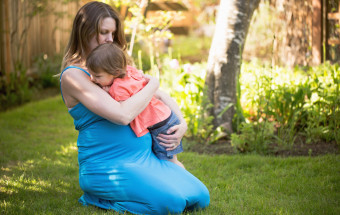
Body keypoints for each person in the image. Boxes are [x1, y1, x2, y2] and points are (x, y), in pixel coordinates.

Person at [59, 1, 210, 214]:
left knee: (201, 197)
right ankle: (97, 196)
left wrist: (182, 123)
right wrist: (153, 83)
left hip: (146, 159)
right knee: (172, 204)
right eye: (103, 32)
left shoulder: (112, 65)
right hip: (106, 165)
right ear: (84, 32)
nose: (110, 39)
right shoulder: (74, 76)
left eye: (113, 33)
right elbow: (122, 115)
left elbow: (160, 96)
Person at [86, 43, 185, 168]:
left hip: (162, 127)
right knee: (167, 160)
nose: (92, 79)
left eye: (97, 76)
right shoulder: (129, 72)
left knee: (169, 162)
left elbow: (121, 108)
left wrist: (108, 93)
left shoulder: (118, 89)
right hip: (165, 118)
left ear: (115, 72)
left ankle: (184, 181)